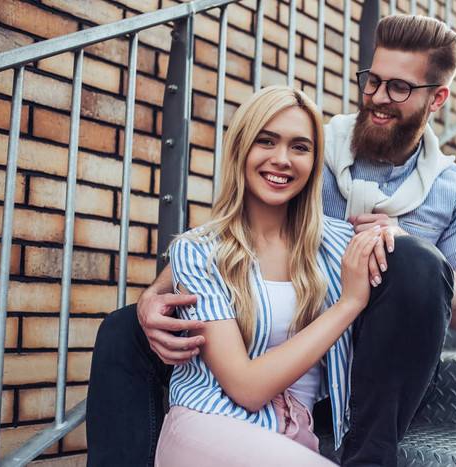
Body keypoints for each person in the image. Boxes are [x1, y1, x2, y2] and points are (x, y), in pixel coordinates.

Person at [86, 13, 456, 467]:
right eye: (372, 81)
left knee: (415, 259)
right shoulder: (310, 151)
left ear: (437, 98)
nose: (378, 98)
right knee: (124, 330)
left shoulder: (450, 187)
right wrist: (154, 295)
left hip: (375, 363)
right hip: (278, 337)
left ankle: (367, 455)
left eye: (398, 88)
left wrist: (408, 255)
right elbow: (231, 236)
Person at [156, 85, 380, 466]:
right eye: (267, 141)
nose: (282, 159)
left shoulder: (340, 244)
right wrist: (349, 304)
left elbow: (436, 287)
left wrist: (399, 238)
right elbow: (246, 387)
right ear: (242, 148)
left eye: (299, 147)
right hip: (206, 430)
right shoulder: (199, 251)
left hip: (290, 439)